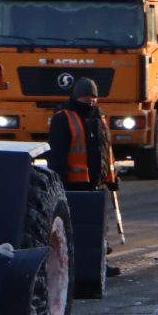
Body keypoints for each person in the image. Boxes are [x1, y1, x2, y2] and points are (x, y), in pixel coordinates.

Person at [48, 78, 120, 275]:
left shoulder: (99, 117)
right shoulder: (63, 118)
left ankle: (99, 264)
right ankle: (74, 267)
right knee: (77, 228)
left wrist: (111, 177)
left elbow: (106, 150)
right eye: (85, 96)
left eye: (93, 96)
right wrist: (59, 183)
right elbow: (57, 154)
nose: (89, 100)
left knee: (98, 226)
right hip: (73, 185)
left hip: (97, 184)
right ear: (75, 96)